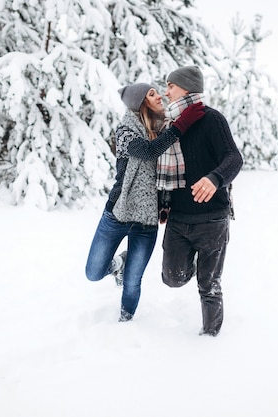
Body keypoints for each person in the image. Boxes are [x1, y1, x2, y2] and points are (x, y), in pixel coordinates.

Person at [85, 82, 205, 322]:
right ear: (141, 103)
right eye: (152, 94)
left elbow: (168, 171)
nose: (159, 96)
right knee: (94, 272)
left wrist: (165, 202)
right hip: (118, 213)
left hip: (147, 220)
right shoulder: (126, 132)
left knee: (132, 282)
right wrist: (181, 125)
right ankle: (118, 263)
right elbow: (148, 151)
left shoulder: (164, 131)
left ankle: (125, 321)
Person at [159, 66, 243, 336]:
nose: (166, 91)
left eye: (171, 85)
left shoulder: (212, 119)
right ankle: (194, 265)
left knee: (209, 285)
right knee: (172, 278)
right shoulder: (170, 126)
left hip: (212, 220)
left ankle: (209, 337)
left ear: (186, 87)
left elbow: (234, 158)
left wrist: (215, 178)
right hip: (178, 219)